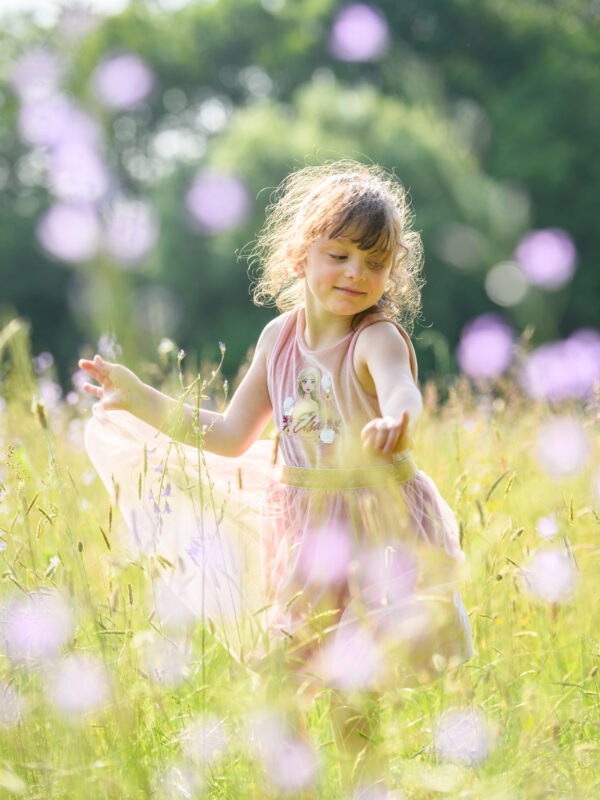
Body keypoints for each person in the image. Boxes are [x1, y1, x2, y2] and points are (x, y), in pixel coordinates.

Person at [79, 160, 474, 793]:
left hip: (378, 531)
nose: (355, 273)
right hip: (307, 537)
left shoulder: (376, 339)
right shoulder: (278, 338)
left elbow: (403, 389)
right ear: (299, 256)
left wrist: (398, 418)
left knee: (351, 694)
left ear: (390, 274)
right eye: (339, 254)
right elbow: (231, 435)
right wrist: (139, 396)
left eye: (374, 263)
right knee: (278, 685)